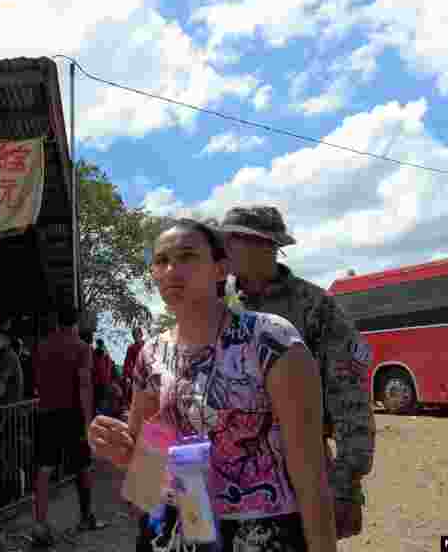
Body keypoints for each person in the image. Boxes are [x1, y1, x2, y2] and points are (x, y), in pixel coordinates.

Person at [88, 218, 337, 552]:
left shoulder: (270, 340)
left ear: (221, 270)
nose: (172, 269)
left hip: (262, 533)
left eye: (187, 256)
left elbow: (311, 473)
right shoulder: (150, 354)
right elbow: (145, 464)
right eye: (162, 261)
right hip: (177, 529)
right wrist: (118, 451)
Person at [220, 206, 375, 540]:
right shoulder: (218, 304)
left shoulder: (316, 307)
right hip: (229, 475)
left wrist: (346, 483)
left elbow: (349, 395)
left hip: (299, 469)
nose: (224, 248)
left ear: (266, 246)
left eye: (233, 240)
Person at [30, 307, 103, 546]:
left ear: (57, 320)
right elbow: (83, 386)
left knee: (43, 469)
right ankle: (86, 517)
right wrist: (87, 423)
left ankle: (39, 526)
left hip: (45, 413)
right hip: (72, 414)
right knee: (83, 467)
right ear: (77, 322)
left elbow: (37, 382)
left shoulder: (41, 346)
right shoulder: (83, 348)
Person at [92, 338, 114, 416]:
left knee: (100, 400)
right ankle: (102, 416)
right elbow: (109, 367)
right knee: (101, 400)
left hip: (100, 381)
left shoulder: (96, 354)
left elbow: (108, 367)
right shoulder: (103, 354)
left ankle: (101, 416)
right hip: (102, 381)